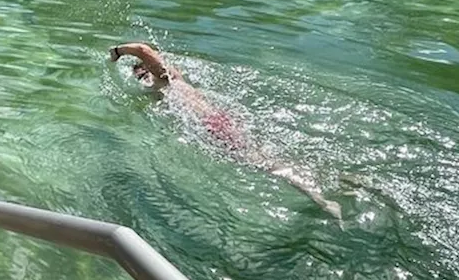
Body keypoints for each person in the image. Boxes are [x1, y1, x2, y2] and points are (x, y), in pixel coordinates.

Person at [108, 42, 342, 218]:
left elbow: (141, 48)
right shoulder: (169, 80)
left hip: (210, 126)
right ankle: (343, 181)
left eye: (140, 71)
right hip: (217, 120)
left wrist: (117, 52)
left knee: (264, 164)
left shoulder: (164, 77)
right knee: (265, 158)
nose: (138, 75)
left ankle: (321, 200)